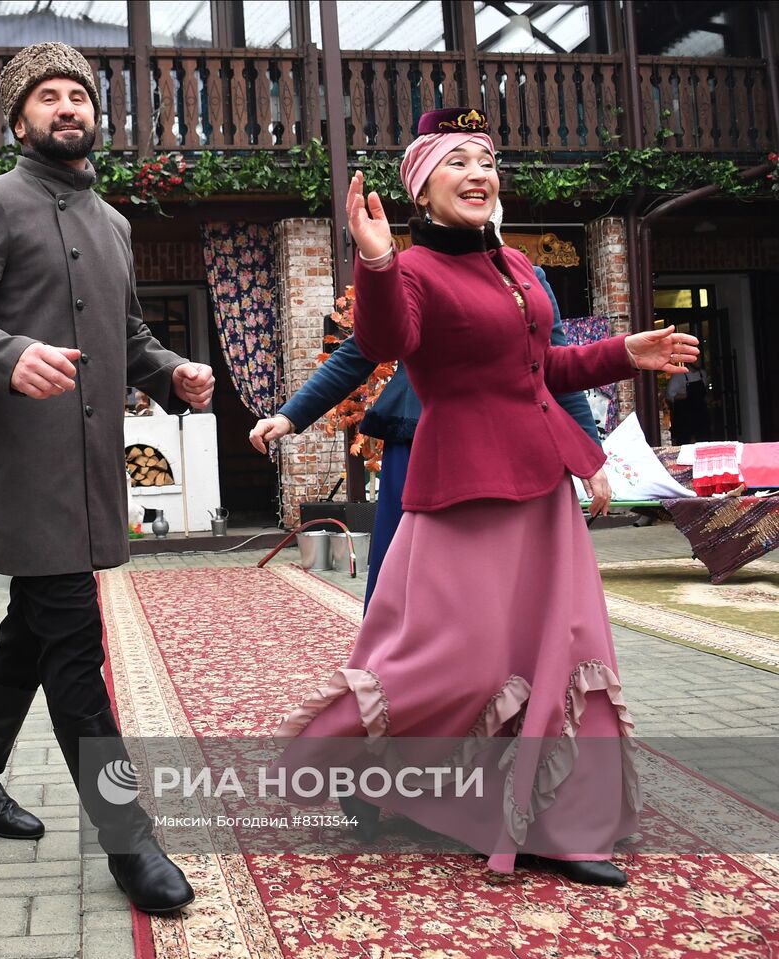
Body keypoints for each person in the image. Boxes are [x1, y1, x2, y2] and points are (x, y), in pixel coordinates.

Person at [273, 107, 698, 886]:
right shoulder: (411, 274)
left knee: (558, 653)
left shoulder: (521, 268)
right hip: (461, 489)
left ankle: (555, 822)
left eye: (487, 160)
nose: (479, 173)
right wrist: (373, 261)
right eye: (457, 161)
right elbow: (389, 342)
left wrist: (623, 354)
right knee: (454, 660)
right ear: (422, 192)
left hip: (541, 490)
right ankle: (359, 765)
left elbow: (546, 370)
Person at [0, 41, 214, 914]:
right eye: (47, 97)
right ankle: (130, 840)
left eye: (77, 95)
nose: (66, 107)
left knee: (32, 634)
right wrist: (9, 354)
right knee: (75, 648)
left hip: (92, 470)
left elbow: (130, 333)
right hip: (27, 467)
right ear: (19, 120)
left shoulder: (115, 223)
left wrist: (170, 374)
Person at [249, 204, 601, 606]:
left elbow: (555, 368)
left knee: (508, 581)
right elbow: (358, 353)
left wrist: (591, 457)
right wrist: (289, 416)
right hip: (422, 440)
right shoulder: (415, 274)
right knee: (410, 577)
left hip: (515, 446)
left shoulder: (530, 282)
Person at [665, 360, 710, 445]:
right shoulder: (679, 376)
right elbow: (669, 395)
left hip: (701, 414)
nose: (699, 362)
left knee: (702, 440)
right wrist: (686, 395)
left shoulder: (702, 374)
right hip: (685, 416)